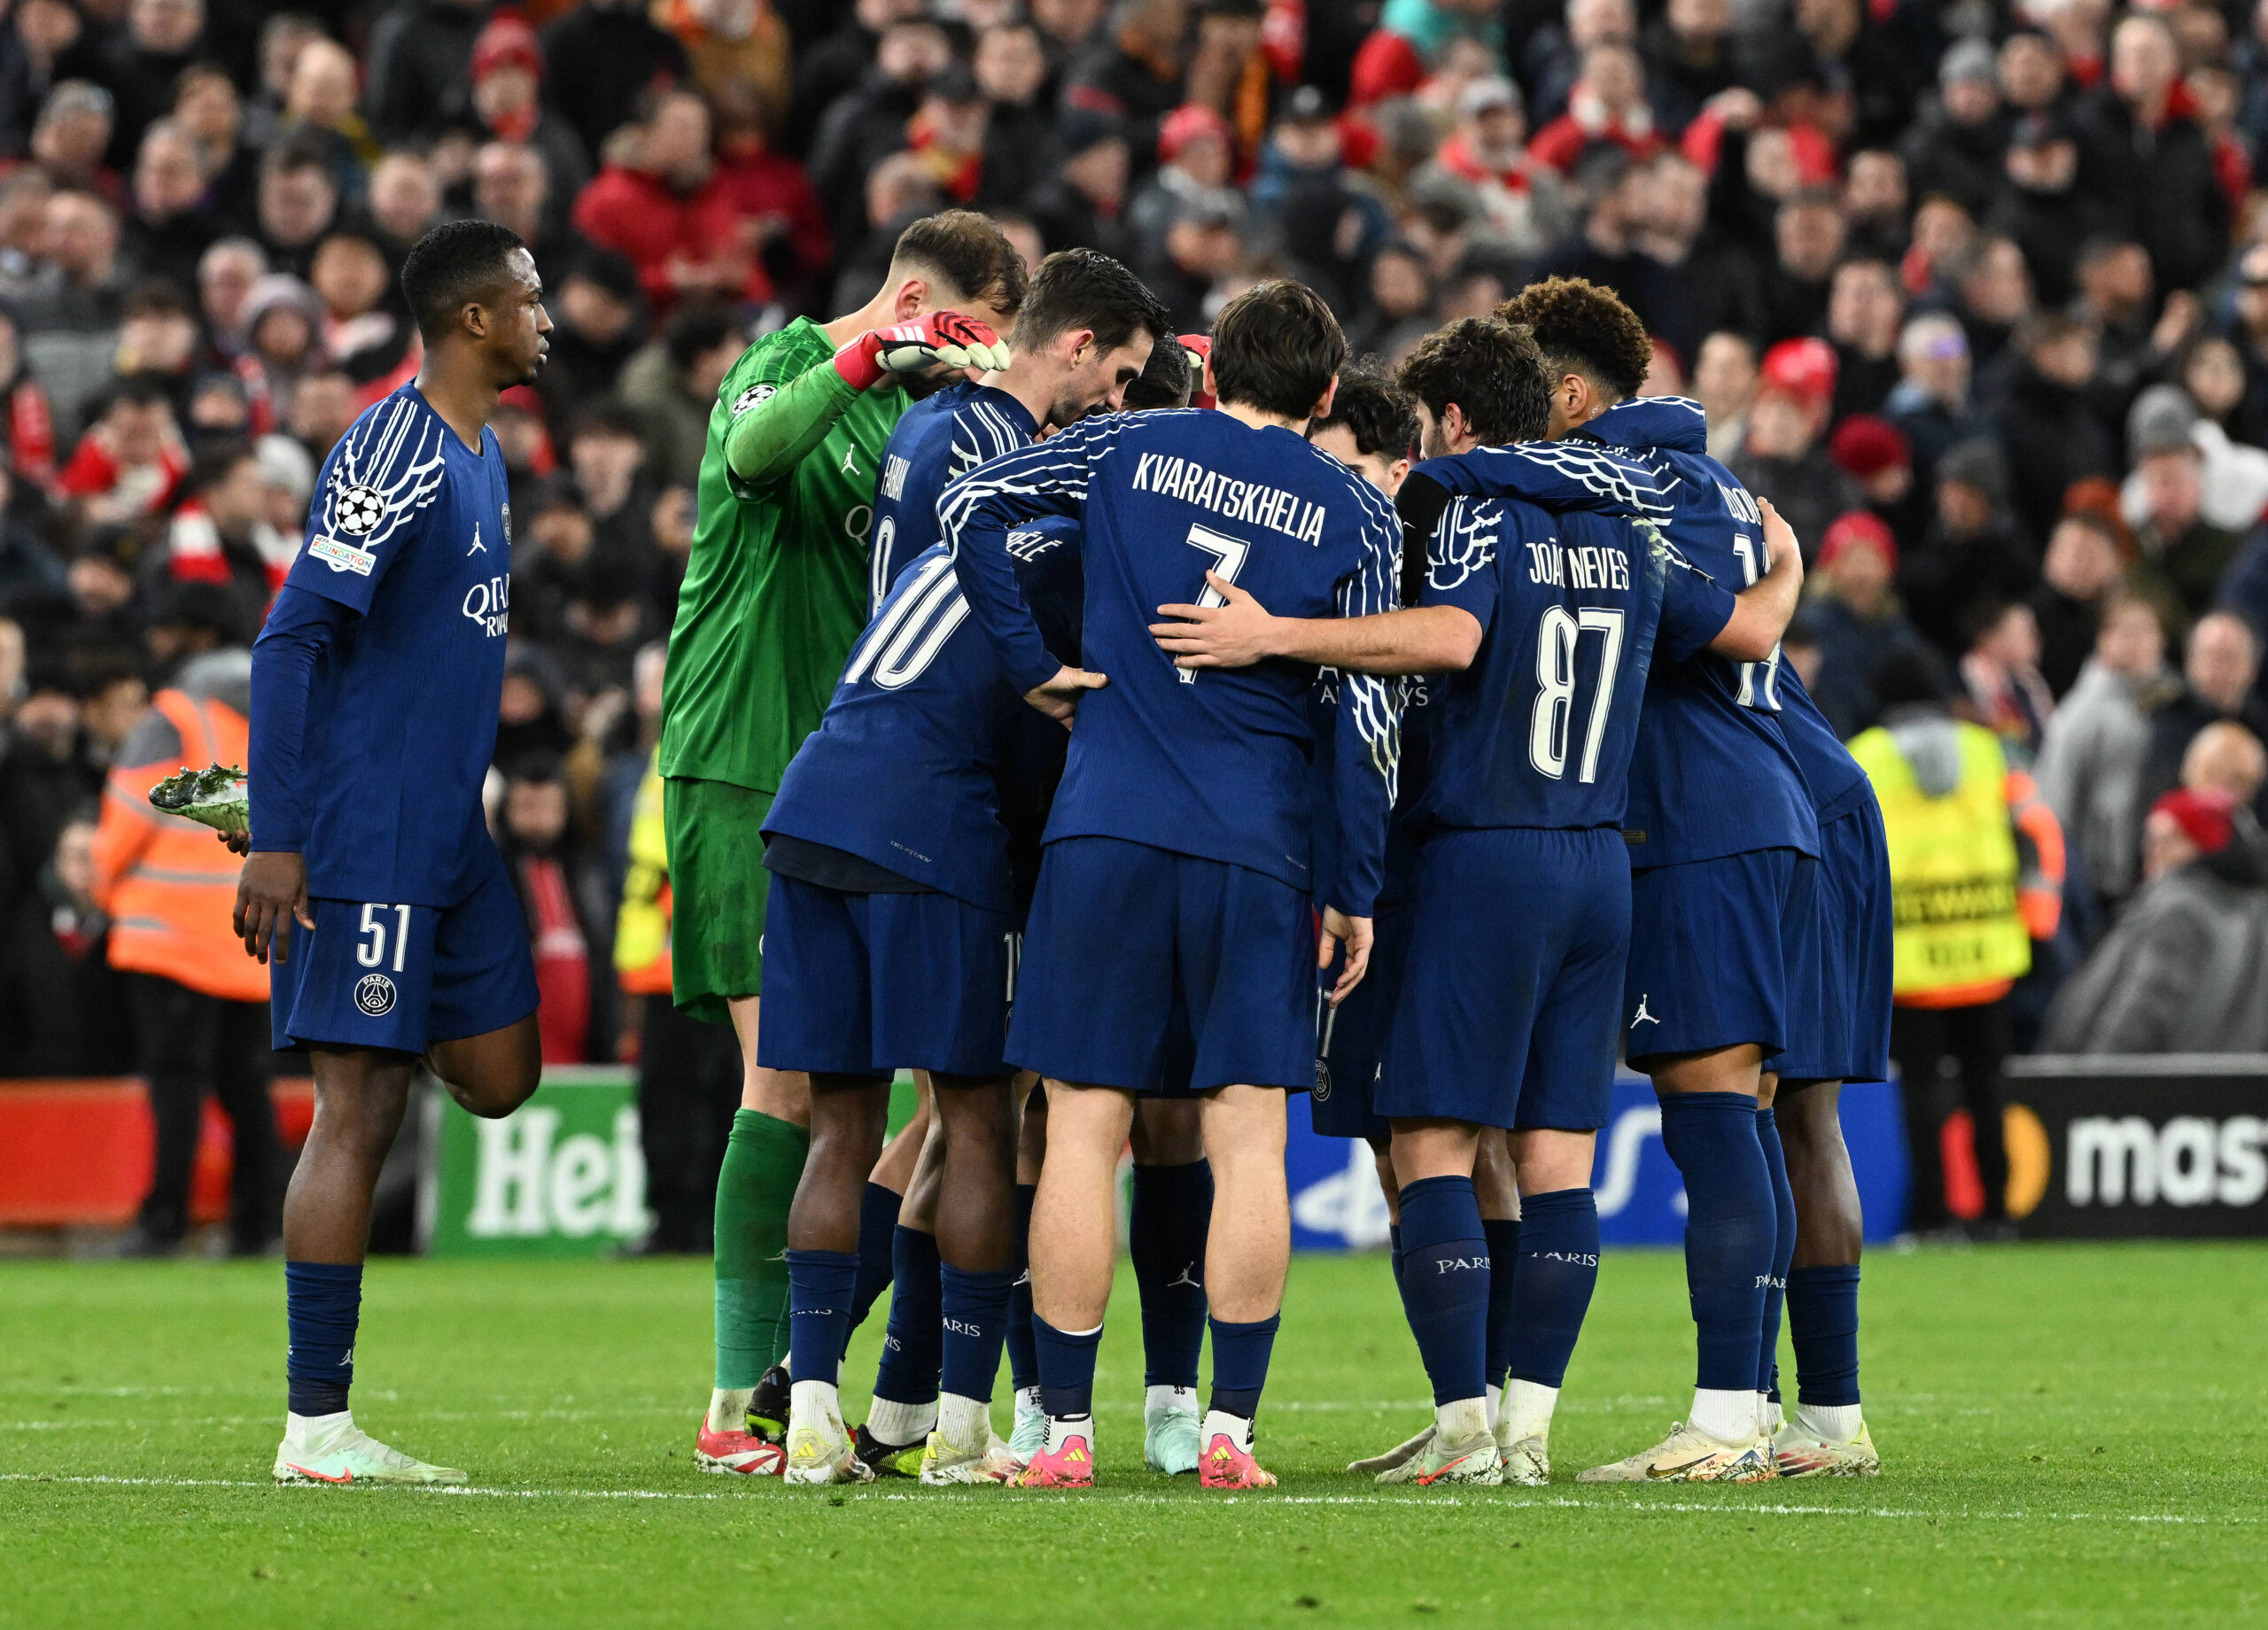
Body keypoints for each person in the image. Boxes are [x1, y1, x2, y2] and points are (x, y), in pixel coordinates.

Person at [1152, 316, 1800, 1486]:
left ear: (1452, 422)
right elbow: (1747, 627)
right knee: (1556, 1161)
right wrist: (1791, 566)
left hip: (1483, 855)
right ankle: (1526, 1431)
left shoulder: (1469, 511)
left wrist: (1278, 635)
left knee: (1432, 1143)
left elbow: (1448, 638)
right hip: (1599, 862)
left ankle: (1463, 1429)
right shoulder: (1620, 520)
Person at [943, 279, 1401, 1491]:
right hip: (1258, 846)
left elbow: (972, 501)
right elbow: (1366, 711)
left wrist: (1031, 663)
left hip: (1104, 829)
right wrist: (1354, 886)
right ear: (1325, 395)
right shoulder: (1358, 508)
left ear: (1212, 370)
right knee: (1249, 1133)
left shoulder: (1127, 442)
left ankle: (1069, 1433)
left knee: (1084, 1127)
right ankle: (1228, 1434)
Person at [764, 249, 1167, 1486]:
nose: (1121, 407)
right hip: (932, 819)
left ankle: (820, 1413)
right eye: (1127, 378)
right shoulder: (1060, 540)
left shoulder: (943, 451)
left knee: (842, 1125)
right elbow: (1037, 698)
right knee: (981, 1118)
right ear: (1084, 347)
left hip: (818, 792)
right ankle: (961, 1425)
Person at [1418, 276, 1824, 1483]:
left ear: (1574, 393)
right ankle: (1758, 1405)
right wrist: (1785, 579)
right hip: (1733, 815)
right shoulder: (1699, 478)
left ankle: (1730, 1417)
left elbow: (1738, 632)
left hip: (1694, 823)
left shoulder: (1618, 483)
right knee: (1740, 1119)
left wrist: (1437, 472)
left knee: (1711, 1119)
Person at [659, 209, 1021, 1479]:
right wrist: (878, 353)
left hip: (852, 778)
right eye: (977, 332)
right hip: (742, 746)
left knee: (916, 1101)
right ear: (926, 300)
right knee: (798, 1084)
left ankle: (853, 1386)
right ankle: (736, 1396)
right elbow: (758, 459)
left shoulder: (925, 423)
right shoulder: (789, 362)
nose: (987, 358)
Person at [234, 219, 555, 1486]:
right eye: (528, 298)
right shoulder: (394, 446)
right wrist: (279, 836)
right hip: (366, 833)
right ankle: (317, 1429)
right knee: (357, 1104)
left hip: (450, 838)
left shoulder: (486, 457)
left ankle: (379, 1014)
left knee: (505, 1072)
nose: (547, 315)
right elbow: (289, 639)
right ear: (474, 320)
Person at [1852, 647, 2064, 1242]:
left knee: (1922, 1092)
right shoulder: (1988, 750)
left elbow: (1842, 858)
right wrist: (2037, 922)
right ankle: (1998, 1215)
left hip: (1910, 961)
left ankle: (1932, 1219)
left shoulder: (1863, 757)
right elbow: (2041, 835)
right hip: (1987, 951)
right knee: (1988, 1087)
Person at [93, 634, 281, 1258]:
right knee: (247, 1090)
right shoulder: (271, 728)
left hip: (169, 938)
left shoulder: (174, 720)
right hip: (247, 939)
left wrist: (101, 881)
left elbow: (131, 812)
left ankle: (163, 1223)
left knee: (177, 1086)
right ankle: (258, 1226)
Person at [2043, 790, 2268, 1053]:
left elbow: (2143, 1010)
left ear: (2201, 845)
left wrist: (2094, 1076)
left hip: (2144, 1084)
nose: (2151, 854)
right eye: (2148, 840)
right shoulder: (2253, 909)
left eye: (2166, 841)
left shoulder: (2180, 910)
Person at [2035, 593, 2178, 916]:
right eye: (2125, 632)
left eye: (2145, 631)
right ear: (2104, 639)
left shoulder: (2177, 703)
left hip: (2163, 873)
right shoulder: (2082, 713)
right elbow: (2056, 798)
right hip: (2103, 880)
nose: (2136, 643)